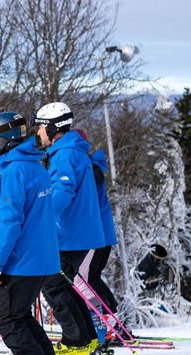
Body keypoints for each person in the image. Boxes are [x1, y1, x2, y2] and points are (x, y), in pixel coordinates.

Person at [0, 112, 61, 355]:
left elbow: (10, 224)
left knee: (8, 321)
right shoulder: (35, 166)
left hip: (21, 261)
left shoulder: (14, 172)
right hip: (40, 259)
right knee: (21, 318)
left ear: (3, 141)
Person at [33, 102, 106, 355]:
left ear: (53, 128)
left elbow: (63, 192)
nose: (38, 133)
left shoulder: (64, 154)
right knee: (62, 284)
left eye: (40, 127)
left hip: (72, 235)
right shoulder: (71, 151)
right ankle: (85, 339)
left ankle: (77, 340)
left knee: (52, 284)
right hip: (78, 233)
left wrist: (39, 221)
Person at [72, 129, 119, 342]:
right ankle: (110, 322)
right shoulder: (91, 166)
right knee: (90, 278)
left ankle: (104, 325)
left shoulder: (90, 168)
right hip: (99, 233)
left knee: (81, 279)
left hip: (93, 234)